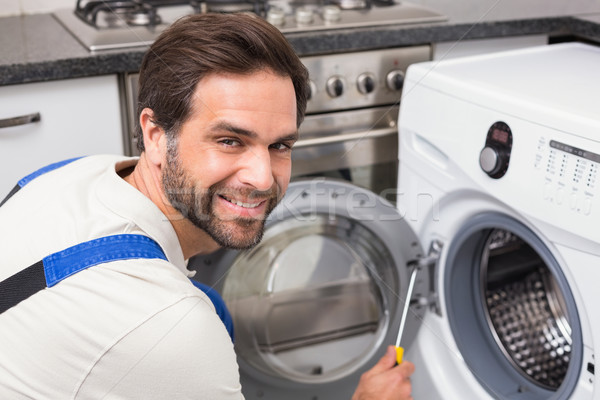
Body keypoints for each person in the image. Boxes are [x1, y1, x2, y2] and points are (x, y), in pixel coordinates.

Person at [0, 12, 414, 399]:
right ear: (156, 135)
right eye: (230, 140)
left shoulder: (69, 173)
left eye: (280, 145)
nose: (263, 177)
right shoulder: (175, 330)